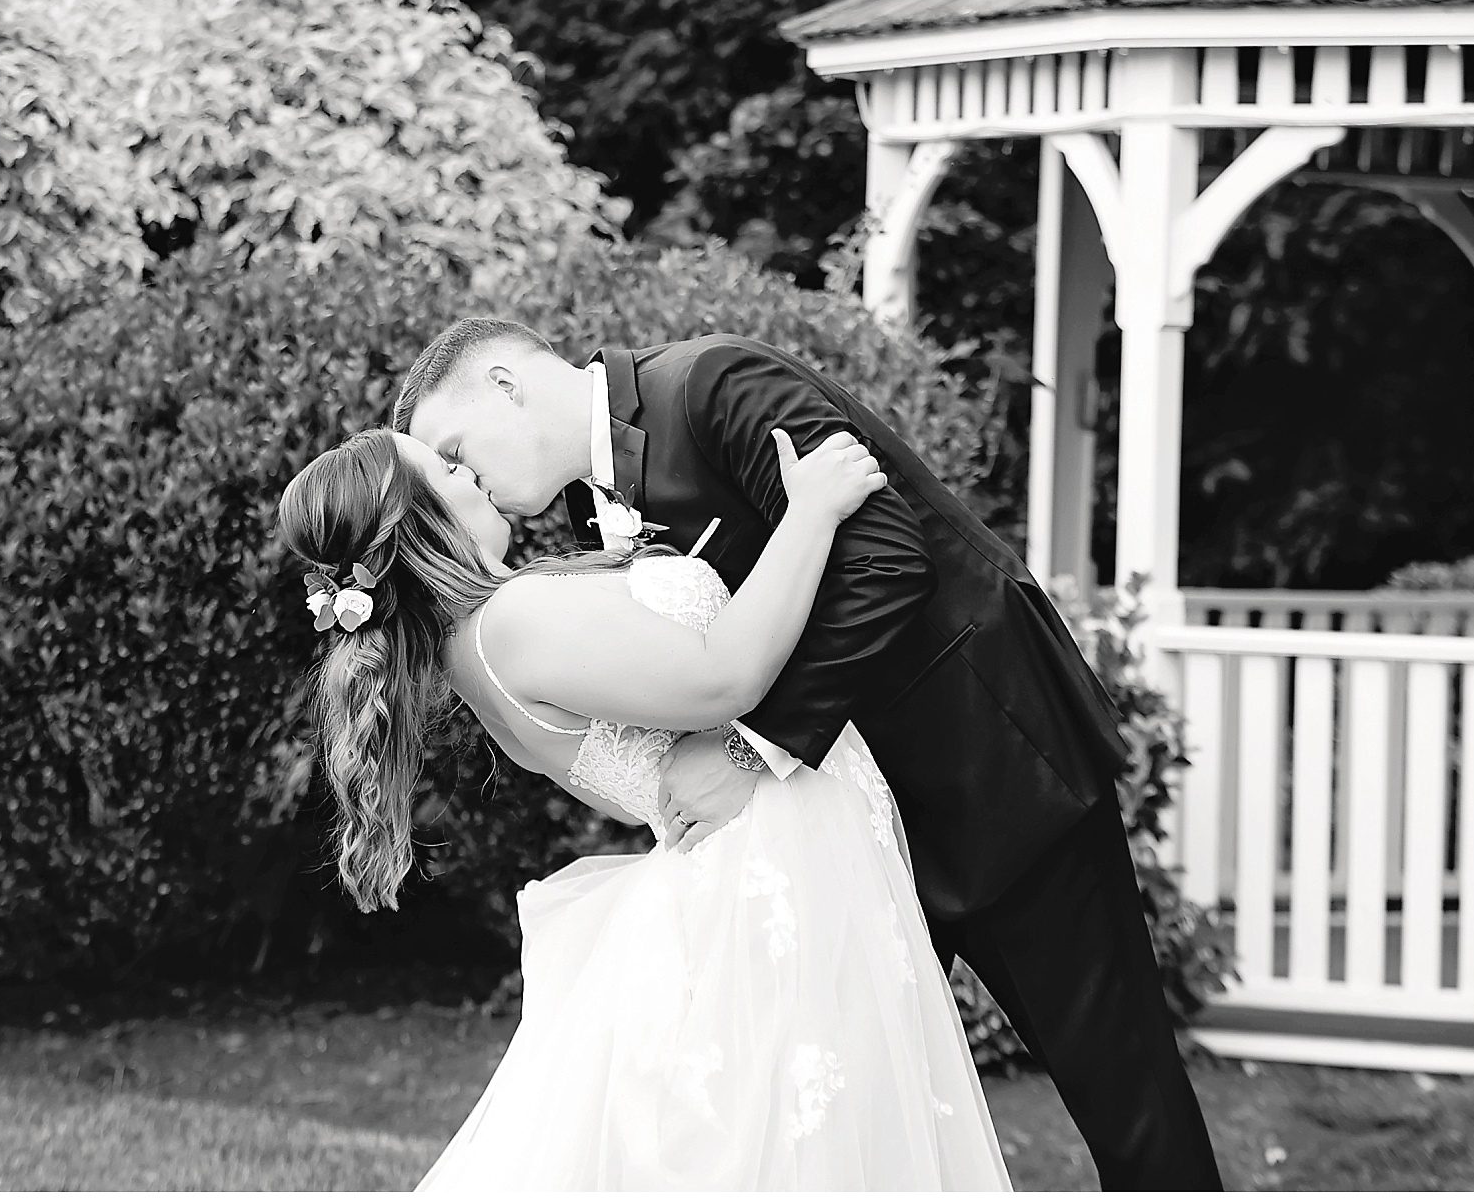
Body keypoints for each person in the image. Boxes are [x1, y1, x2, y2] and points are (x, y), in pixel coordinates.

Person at [394, 319, 1223, 1190]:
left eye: (454, 452)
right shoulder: (587, 508)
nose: (465, 481)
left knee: (1126, 1101)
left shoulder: (714, 384)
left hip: (992, 766)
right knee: (861, 1125)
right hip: (850, 835)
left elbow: (888, 557)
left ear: (505, 384)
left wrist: (749, 748)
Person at [278, 424, 1011, 1189]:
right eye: (448, 470)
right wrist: (812, 512)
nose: (472, 474)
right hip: (774, 857)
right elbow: (726, 677)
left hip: (757, 853)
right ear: (419, 523)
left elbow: (641, 794)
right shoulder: (510, 624)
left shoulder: (472, 655)